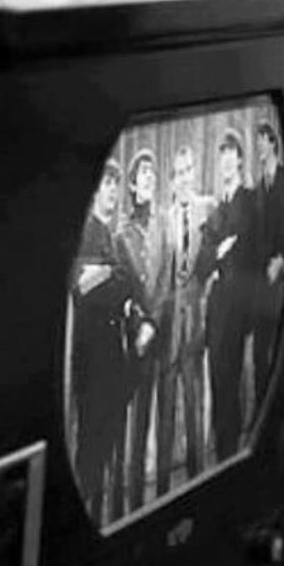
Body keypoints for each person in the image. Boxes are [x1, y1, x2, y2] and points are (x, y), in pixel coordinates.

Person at [69, 159, 131, 522]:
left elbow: (120, 284)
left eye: (114, 184)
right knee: (90, 450)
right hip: (91, 359)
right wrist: (113, 275)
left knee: (102, 446)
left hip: (110, 358)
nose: (111, 190)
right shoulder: (86, 230)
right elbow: (83, 288)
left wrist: (110, 275)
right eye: (106, 183)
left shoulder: (108, 234)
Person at [196, 128, 258, 463]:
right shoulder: (217, 210)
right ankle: (223, 454)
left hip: (236, 309)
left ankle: (229, 455)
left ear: (239, 160)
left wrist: (218, 250)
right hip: (217, 309)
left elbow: (246, 248)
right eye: (221, 158)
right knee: (218, 383)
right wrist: (219, 248)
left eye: (230, 156)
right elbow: (202, 263)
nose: (224, 163)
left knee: (229, 383)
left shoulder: (247, 201)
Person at [116, 148, 172, 513]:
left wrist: (154, 324)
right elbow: (123, 290)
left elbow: (166, 280)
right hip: (132, 344)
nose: (150, 178)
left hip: (161, 339)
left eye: (154, 173)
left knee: (159, 422)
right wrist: (140, 326)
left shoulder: (165, 226)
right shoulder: (122, 235)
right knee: (132, 431)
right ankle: (131, 505)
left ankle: (163, 501)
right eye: (144, 174)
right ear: (133, 185)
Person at [157, 145, 217, 485]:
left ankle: (197, 480)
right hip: (168, 331)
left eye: (188, 170)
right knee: (166, 413)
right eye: (178, 173)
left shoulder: (207, 210)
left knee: (194, 407)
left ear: (194, 172)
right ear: (172, 179)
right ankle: (163, 488)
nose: (183, 177)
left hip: (195, 325)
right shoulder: (163, 219)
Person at [251, 121, 284, 402]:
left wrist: (282, 261)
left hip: (281, 274)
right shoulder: (260, 184)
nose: (258, 148)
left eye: (261, 141)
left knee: (276, 343)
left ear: (272, 142)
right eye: (256, 143)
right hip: (261, 276)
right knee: (259, 350)